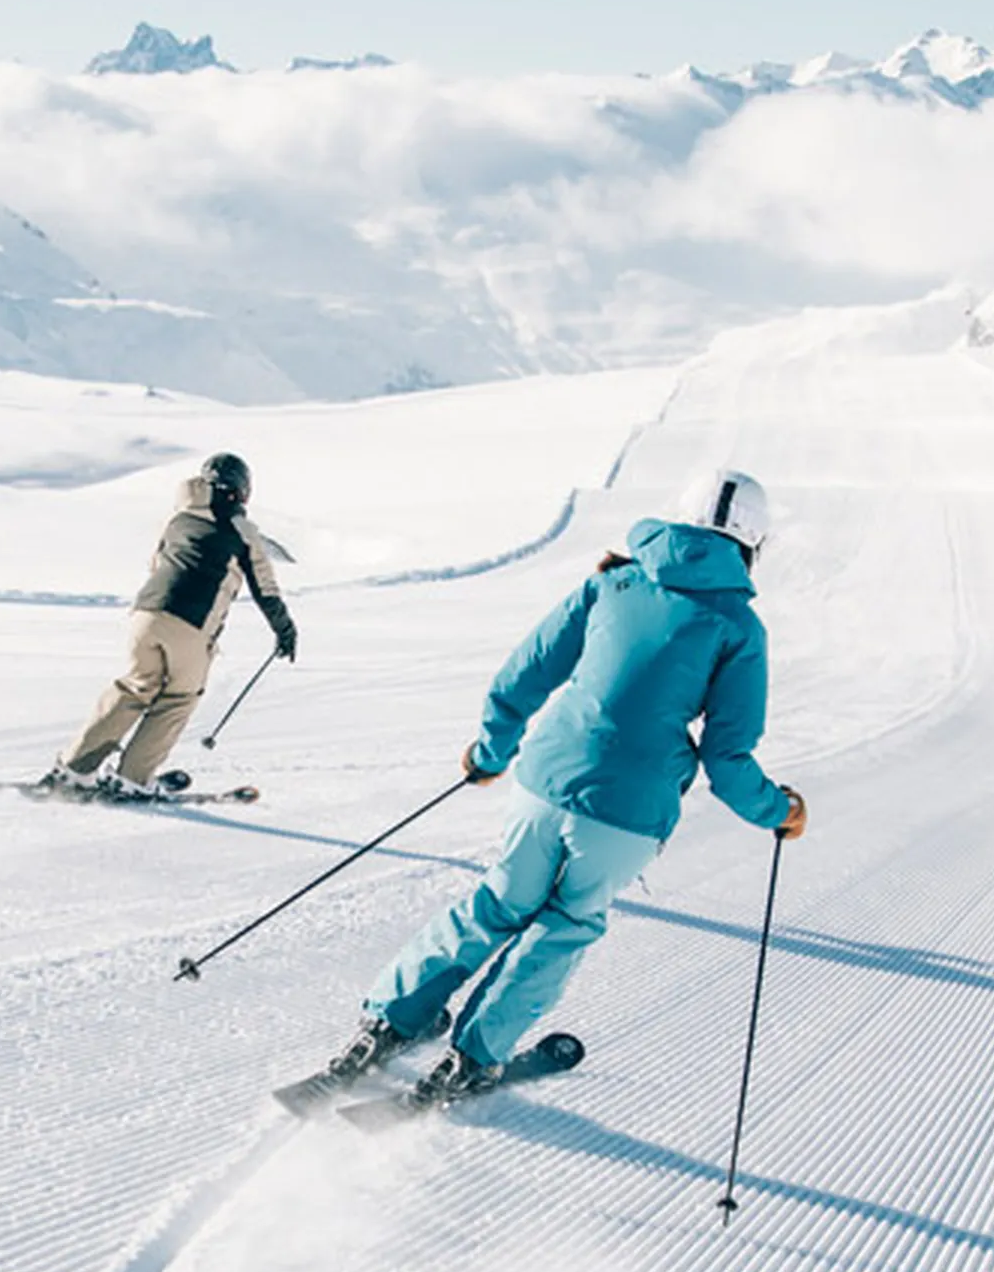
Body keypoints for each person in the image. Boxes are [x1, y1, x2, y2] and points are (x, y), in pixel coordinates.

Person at [310, 467, 805, 1103]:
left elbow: (525, 673)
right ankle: (474, 1056)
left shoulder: (614, 580)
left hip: (543, 780)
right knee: (566, 922)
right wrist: (778, 811)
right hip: (627, 812)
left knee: (497, 904)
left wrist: (491, 750)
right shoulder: (738, 627)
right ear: (751, 544)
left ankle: (389, 1020)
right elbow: (728, 758)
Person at [40, 451, 295, 800]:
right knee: (178, 697)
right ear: (242, 491)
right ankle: (133, 778)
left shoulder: (176, 520)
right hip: (190, 624)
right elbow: (264, 587)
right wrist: (284, 630)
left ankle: (74, 770)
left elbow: (156, 564)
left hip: (144, 614)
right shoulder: (242, 530)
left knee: (134, 687)